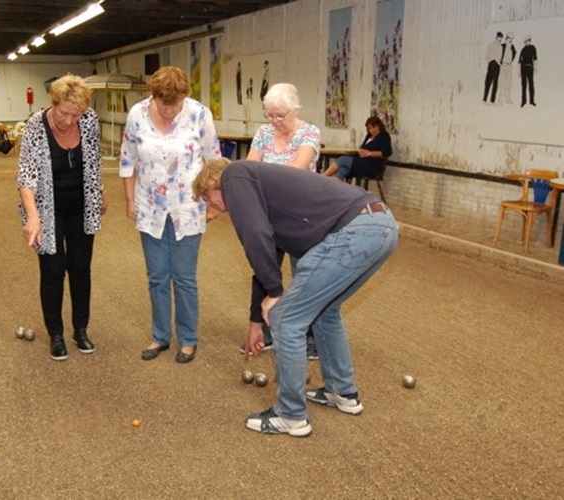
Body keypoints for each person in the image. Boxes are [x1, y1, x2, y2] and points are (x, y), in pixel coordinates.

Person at [194, 158, 399, 436]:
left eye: (206, 197)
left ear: (212, 182)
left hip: (355, 230)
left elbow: (254, 235)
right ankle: (342, 392)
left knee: (287, 319)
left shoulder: (234, 175)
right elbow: (268, 254)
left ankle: (290, 414)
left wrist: (276, 295)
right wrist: (256, 321)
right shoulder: (262, 193)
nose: (212, 206)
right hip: (380, 225)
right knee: (324, 310)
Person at [120, 65, 220, 363]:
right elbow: (128, 159)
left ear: (183, 97)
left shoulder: (200, 114)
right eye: (164, 104)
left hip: (187, 207)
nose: (169, 111)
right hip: (149, 206)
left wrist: (213, 203)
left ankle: (188, 340)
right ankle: (160, 336)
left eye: (175, 104)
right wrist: (129, 200)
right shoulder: (137, 114)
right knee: (157, 276)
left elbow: (214, 161)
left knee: (184, 277)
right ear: (154, 96)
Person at [17, 74, 107, 361]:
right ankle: (55, 333)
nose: (69, 121)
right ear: (53, 103)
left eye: (76, 115)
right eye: (64, 113)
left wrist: (100, 191)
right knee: (53, 270)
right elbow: (26, 176)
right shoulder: (34, 126)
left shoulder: (89, 120)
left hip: (82, 204)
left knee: (81, 268)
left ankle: (80, 329)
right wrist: (33, 217)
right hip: (46, 208)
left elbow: (95, 159)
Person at [242, 82, 321, 360]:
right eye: (270, 115)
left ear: (294, 110)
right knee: (266, 272)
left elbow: (297, 169)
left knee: (306, 276)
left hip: (303, 216)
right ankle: (266, 331)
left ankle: (310, 338)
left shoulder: (309, 133)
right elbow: (250, 168)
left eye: (280, 116)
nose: (274, 121)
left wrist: (264, 177)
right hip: (269, 214)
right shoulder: (263, 133)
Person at [322, 116, 392, 180]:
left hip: (372, 165)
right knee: (343, 170)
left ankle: (323, 177)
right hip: (362, 161)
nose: (370, 130)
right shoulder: (369, 136)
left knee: (342, 159)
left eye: (371, 128)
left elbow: (387, 152)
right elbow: (363, 146)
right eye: (369, 128)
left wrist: (370, 153)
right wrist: (361, 150)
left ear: (377, 126)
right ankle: (334, 188)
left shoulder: (383, 136)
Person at [483, 31, 503, 104]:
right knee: (488, 81)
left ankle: (492, 100)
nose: (500, 40)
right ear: (496, 37)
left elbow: (500, 57)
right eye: (499, 38)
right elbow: (486, 54)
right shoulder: (491, 44)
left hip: (497, 65)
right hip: (492, 64)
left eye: (501, 39)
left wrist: (499, 63)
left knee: (495, 83)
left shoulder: (501, 47)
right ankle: (484, 99)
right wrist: (489, 61)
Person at [519, 35, 537, 107]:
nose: (526, 42)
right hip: (523, 68)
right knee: (524, 85)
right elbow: (520, 61)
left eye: (527, 41)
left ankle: (532, 101)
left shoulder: (533, 47)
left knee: (531, 84)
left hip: (530, 67)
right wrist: (519, 71)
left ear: (530, 41)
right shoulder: (523, 49)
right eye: (525, 41)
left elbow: (535, 58)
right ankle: (523, 101)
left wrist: (535, 68)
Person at [499, 32, 517, 105]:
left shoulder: (512, 47)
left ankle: (508, 99)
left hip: (509, 66)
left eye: (512, 39)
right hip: (503, 65)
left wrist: (510, 62)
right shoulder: (502, 46)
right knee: (501, 83)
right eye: (509, 39)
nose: (511, 40)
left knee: (508, 83)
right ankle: (499, 99)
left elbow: (514, 53)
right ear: (506, 38)